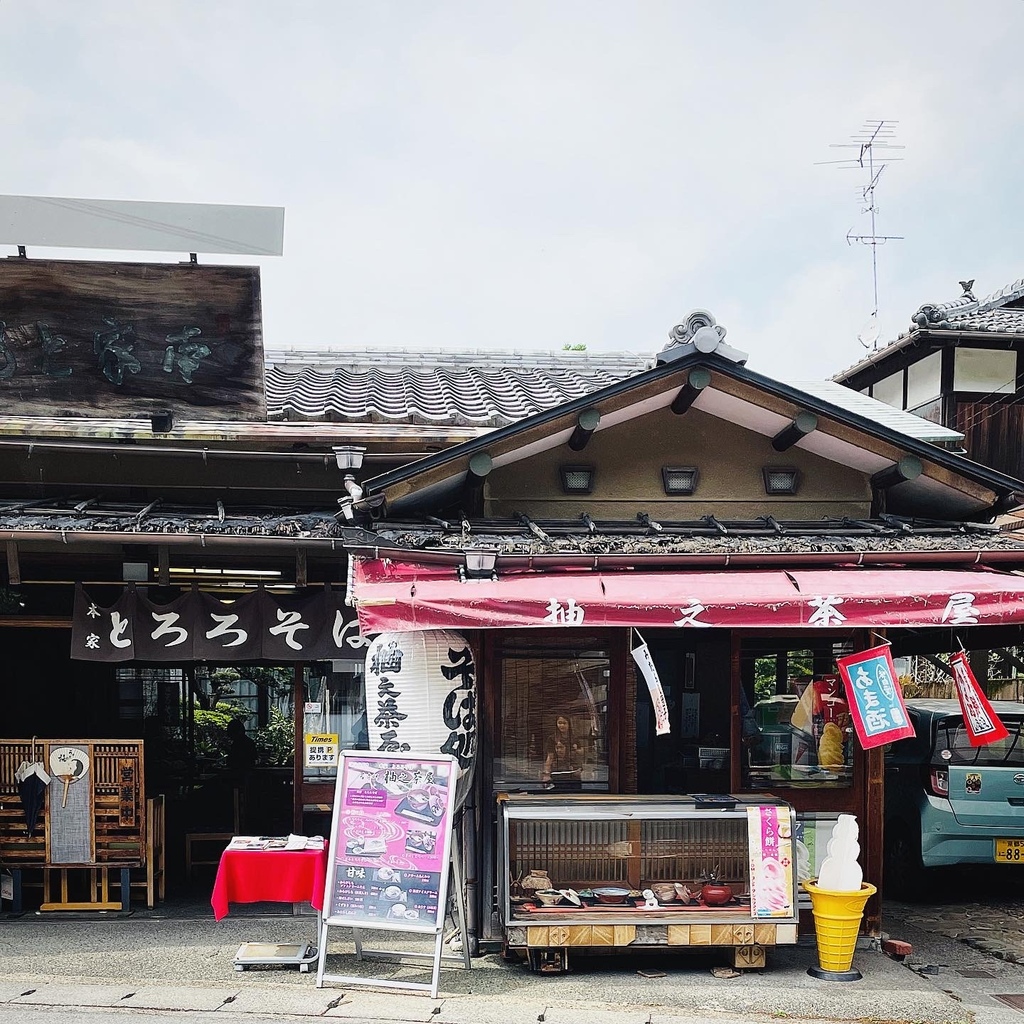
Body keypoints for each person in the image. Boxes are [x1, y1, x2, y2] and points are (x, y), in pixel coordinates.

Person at [541, 714, 583, 787]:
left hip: (573, 773)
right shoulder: (552, 738)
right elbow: (550, 757)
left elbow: (581, 753)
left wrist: (576, 750)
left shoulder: (573, 738)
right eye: (559, 723)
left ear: (569, 724)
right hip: (557, 772)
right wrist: (546, 774)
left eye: (564, 723)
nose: (562, 725)